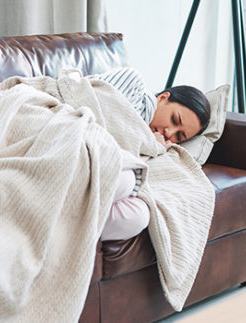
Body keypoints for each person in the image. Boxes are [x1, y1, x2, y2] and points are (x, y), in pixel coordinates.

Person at [90, 67, 211, 241]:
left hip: (100, 162)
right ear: (163, 98)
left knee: (138, 216)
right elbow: (100, 117)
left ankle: (64, 223)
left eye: (179, 136)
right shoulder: (133, 83)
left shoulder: (159, 147)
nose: (170, 133)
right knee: (125, 180)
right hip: (76, 133)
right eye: (174, 120)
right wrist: (149, 142)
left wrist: (153, 147)